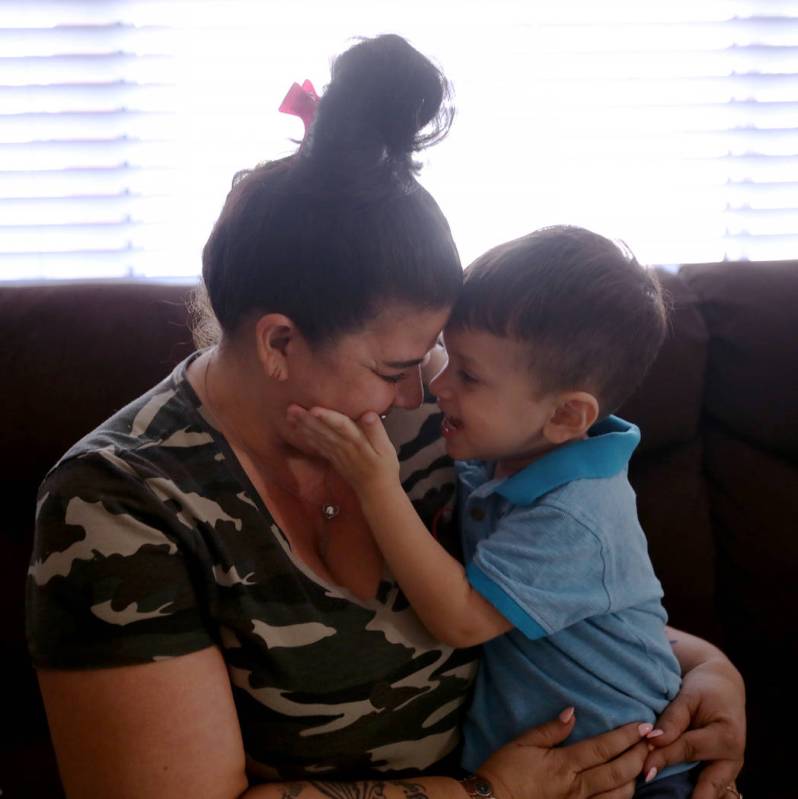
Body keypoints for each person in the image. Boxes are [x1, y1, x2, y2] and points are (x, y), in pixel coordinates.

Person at [26, 34, 744, 799]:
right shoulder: (119, 507)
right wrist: (485, 795)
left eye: (435, 357)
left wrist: (705, 670)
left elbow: (555, 588)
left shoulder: (465, 416)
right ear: (279, 342)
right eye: (395, 369)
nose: (423, 397)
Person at [288, 226, 702, 798]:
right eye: (448, 358)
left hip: (626, 772)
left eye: (468, 374)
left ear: (566, 417)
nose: (437, 385)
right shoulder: (504, 450)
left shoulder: (577, 514)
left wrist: (374, 485)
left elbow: (462, 618)